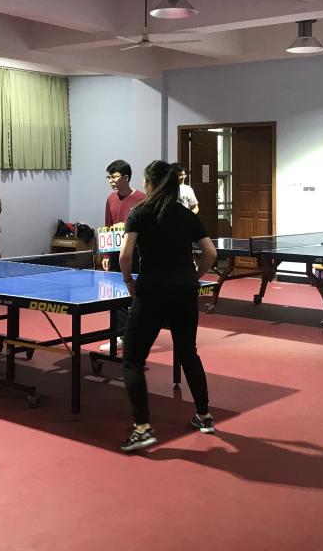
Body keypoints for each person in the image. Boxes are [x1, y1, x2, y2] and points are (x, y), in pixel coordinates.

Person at [118, 160, 218, 452]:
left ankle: (142, 428)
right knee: (188, 352)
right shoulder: (186, 215)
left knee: (133, 358)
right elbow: (210, 253)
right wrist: (193, 277)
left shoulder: (140, 213)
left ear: (150, 183)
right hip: (184, 292)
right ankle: (204, 415)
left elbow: (126, 255)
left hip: (152, 291)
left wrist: (128, 281)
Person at [99, 159, 146, 352]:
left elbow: (148, 227)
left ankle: (134, 334)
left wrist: (126, 227)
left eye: (114, 176)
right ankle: (120, 335)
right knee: (115, 296)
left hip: (136, 254)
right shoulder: (110, 199)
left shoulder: (142, 199)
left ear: (126, 177)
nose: (110, 180)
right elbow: (108, 226)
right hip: (115, 254)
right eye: (108, 177)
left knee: (135, 295)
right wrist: (106, 255)